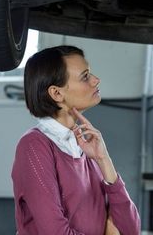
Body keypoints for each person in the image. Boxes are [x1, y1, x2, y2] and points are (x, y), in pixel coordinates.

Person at [11, 45, 140, 235]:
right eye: (85, 76)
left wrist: (104, 160)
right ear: (56, 93)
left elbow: (130, 230)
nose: (96, 80)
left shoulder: (86, 148)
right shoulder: (34, 146)